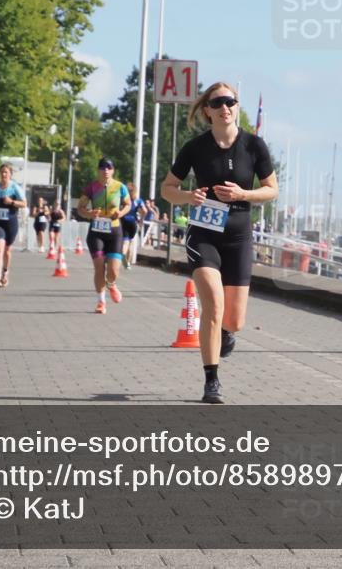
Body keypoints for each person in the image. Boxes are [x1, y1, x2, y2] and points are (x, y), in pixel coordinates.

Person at [160, 82, 278, 404]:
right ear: (208, 110)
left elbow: (271, 190)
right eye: (218, 102)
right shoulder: (195, 147)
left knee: (234, 319)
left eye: (231, 101)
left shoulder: (254, 146)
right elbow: (167, 188)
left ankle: (226, 333)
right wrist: (187, 196)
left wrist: (244, 195)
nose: (225, 107)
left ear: (237, 106)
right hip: (204, 233)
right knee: (212, 304)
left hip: (239, 235)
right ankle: (211, 380)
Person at [77, 158, 132, 314]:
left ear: (113, 170)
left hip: (114, 231)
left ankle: (112, 284)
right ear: (98, 170)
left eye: (109, 168)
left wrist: (120, 213)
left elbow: (128, 204)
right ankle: (101, 301)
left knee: (114, 270)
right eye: (102, 168)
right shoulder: (91, 188)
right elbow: (80, 208)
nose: (105, 171)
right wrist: (89, 213)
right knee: (99, 266)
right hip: (96, 232)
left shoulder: (120, 187)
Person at [0, 164, 25, 287]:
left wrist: (12, 202)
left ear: (10, 174)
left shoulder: (15, 188)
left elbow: (24, 203)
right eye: (2, 172)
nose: (3, 175)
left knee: (7, 250)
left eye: (6, 172)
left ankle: (5, 272)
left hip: (11, 222)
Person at [121, 182, 145, 269]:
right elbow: (145, 210)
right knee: (130, 242)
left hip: (123, 220)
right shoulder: (138, 200)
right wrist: (141, 220)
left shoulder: (123, 199)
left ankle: (123, 254)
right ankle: (127, 263)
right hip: (133, 222)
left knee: (125, 241)